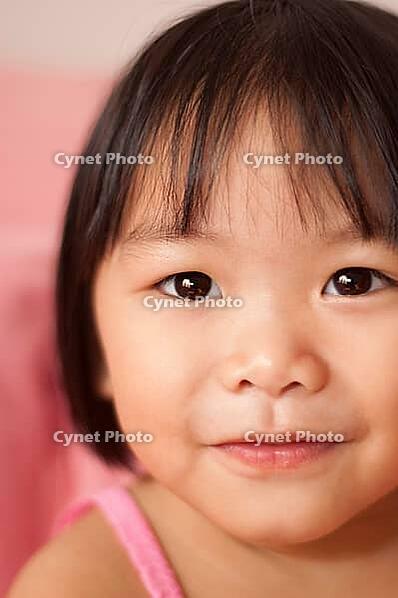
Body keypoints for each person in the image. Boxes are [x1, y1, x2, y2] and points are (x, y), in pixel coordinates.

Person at [8, 0, 398, 595]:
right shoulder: (90, 586)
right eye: (189, 286)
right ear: (96, 346)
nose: (271, 367)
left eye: (355, 281)